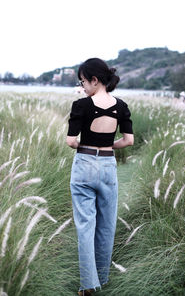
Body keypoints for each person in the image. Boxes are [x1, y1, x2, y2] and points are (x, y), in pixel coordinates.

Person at [66, 58, 134, 296]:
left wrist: (86, 145)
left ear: (94, 80)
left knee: (86, 226)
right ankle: (102, 277)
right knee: (106, 225)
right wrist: (106, 147)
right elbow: (128, 141)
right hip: (107, 166)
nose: (83, 86)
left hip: (84, 164)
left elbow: (71, 141)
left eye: (83, 81)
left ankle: (88, 285)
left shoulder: (81, 105)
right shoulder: (122, 105)